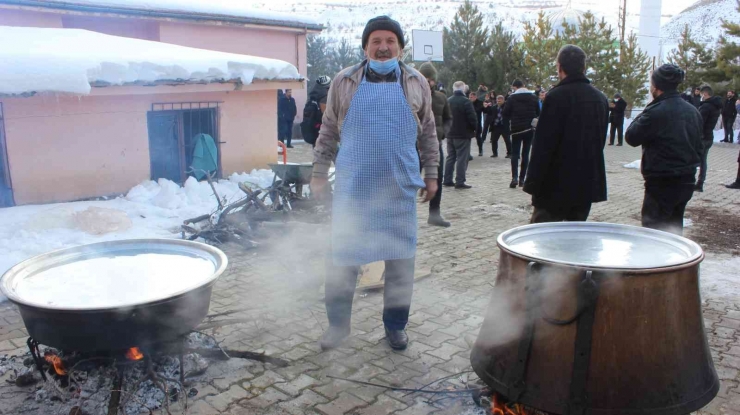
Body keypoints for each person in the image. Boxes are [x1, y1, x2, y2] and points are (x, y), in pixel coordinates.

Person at [310, 15, 439, 351]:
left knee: (400, 264)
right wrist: (319, 172)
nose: (383, 48)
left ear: (400, 46)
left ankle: (395, 327)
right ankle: (338, 327)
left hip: (398, 189)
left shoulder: (416, 82)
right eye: (376, 41)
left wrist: (432, 174)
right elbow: (327, 132)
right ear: (365, 47)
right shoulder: (344, 81)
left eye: (390, 41)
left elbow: (428, 133)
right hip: (354, 190)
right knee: (342, 260)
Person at [523, 45, 609, 223]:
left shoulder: (556, 97)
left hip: (554, 184)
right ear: (583, 68)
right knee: (574, 238)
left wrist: (533, 183)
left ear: (559, 67)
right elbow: (600, 141)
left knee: (541, 239)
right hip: (585, 182)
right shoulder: (600, 98)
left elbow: (543, 145)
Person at [625, 64, 703, 236]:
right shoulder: (692, 111)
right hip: (686, 180)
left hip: (661, 182)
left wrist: (649, 107)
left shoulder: (656, 111)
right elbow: (699, 146)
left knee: (654, 235)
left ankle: (657, 262)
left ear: (656, 86)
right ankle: (676, 262)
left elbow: (631, 137)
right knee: (674, 230)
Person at [419, 62, 452, 227]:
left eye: (431, 79)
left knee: (437, 179)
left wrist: (443, 132)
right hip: (414, 147)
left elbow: (448, 118)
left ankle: (434, 214)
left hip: (435, 145)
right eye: (425, 78)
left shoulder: (441, 97)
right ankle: (403, 215)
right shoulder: (412, 96)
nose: (428, 82)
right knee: (408, 180)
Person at [502, 79, 540, 189]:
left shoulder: (512, 98)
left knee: (515, 154)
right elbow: (538, 112)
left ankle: (514, 177)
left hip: (516, 129)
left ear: (515, 87)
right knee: (525, 154)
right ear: (524, 85)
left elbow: (505, 113)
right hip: (529, 129)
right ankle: (522, 179)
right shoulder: (533, 97)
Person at [444, 81, 477, 189]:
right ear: (464, 89)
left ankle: (447, 179)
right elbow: (472, 118)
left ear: (453, 89)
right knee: (462, 158)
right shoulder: (466, 102)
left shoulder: (448, 101)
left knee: (450, 157)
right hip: (463, 134)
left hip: (450, 134)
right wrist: (474, 129)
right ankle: (460, 181)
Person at [696, 85, 722, 192]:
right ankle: (700, 182)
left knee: (694, 160)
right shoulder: (716, 106)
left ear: (705, 94)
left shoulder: (706, 107)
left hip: (702, 137)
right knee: (703, 161)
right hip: (709, 136)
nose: (701, 96)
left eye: (702, 94)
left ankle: (693, 183)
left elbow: (699, 122)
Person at [300, 76, 332, 147]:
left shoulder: (312, 97)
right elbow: (327, 116)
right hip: (322, 132)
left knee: (317, 152)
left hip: (314, 130)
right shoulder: (324, 98)